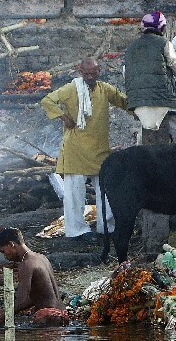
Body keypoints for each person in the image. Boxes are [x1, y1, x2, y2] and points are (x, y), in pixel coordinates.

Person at [40, 57, 127, 241]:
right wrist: (64, 117)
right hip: (76, 149)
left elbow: (122, 101)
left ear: (98, 72)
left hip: (100, 149)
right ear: (81, 73)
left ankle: (107, 227)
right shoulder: (72, 88)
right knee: (74, 194)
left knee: (105, 190)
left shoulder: (105, 89)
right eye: (86, 73)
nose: (90, 76)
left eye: (93, 73)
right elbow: (48, 100)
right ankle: (77, 230)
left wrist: (143, 109)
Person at [0, 228, 66, 327]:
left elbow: (20, 302)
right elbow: (39, 296)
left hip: (47, 317)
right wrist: (4, 311)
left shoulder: (26, 264)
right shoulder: (42, 258)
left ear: (11, 245)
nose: (5, 256)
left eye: (3, 251)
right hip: (62, 314)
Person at [123, 10, 176, 144]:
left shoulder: (131, 48)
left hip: (136, 101)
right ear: (162, 28)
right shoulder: (164, 43)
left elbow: (126, 74)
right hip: (162, 100)